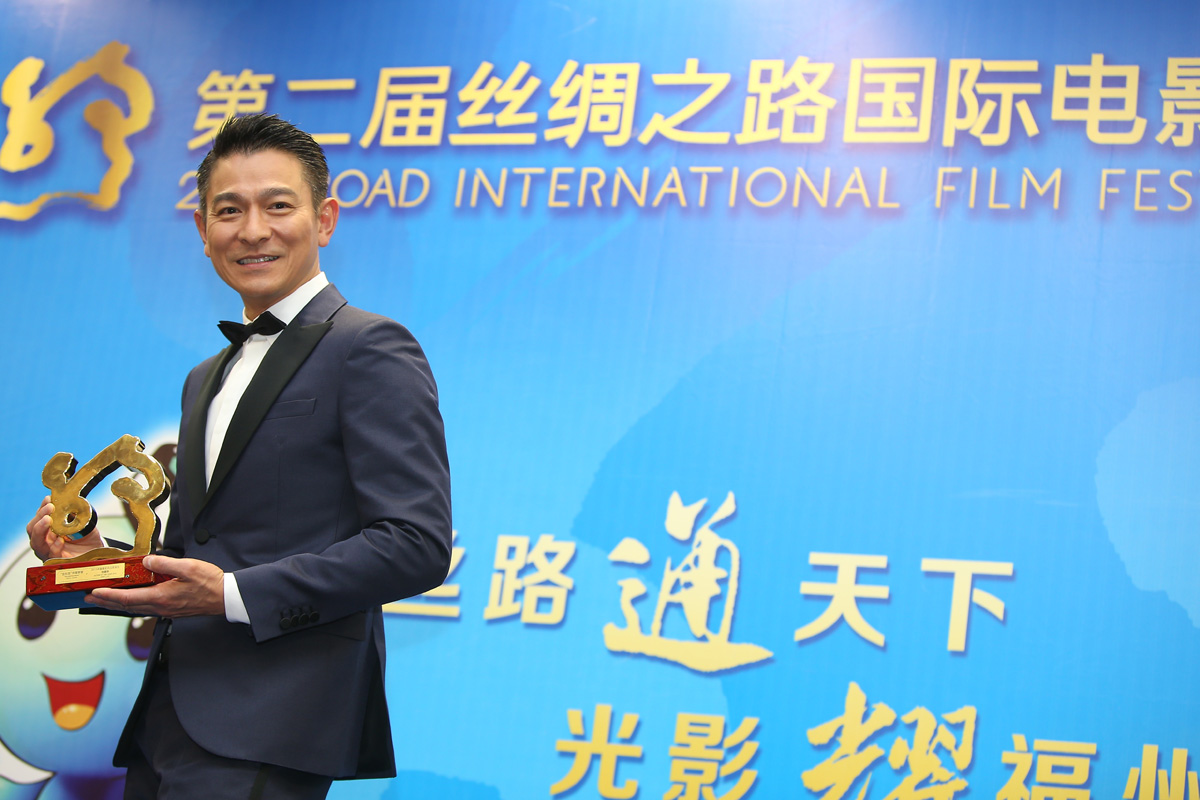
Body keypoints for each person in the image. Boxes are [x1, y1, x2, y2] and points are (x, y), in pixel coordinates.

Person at [25, 113, 453, 799]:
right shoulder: (205, 377)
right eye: (229, 211)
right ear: (202, 231)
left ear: (325, 219)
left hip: (273, 721)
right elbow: (189, 556)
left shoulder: (369, 347)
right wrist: (91, 561)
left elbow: (415, 544)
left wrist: (230, 595)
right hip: (165, 720)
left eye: (278, 205)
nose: (252, 230)